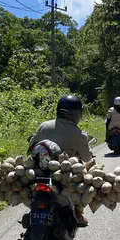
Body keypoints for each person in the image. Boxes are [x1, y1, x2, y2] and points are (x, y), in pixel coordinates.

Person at [30, 94, 92, 226]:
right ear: (77, 114)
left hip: (40, 172)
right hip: (64, 176)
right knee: (83, 182)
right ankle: (79, 213)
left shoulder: (44, 126)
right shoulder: (78, 133)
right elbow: (87, 158)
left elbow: (32, 145)